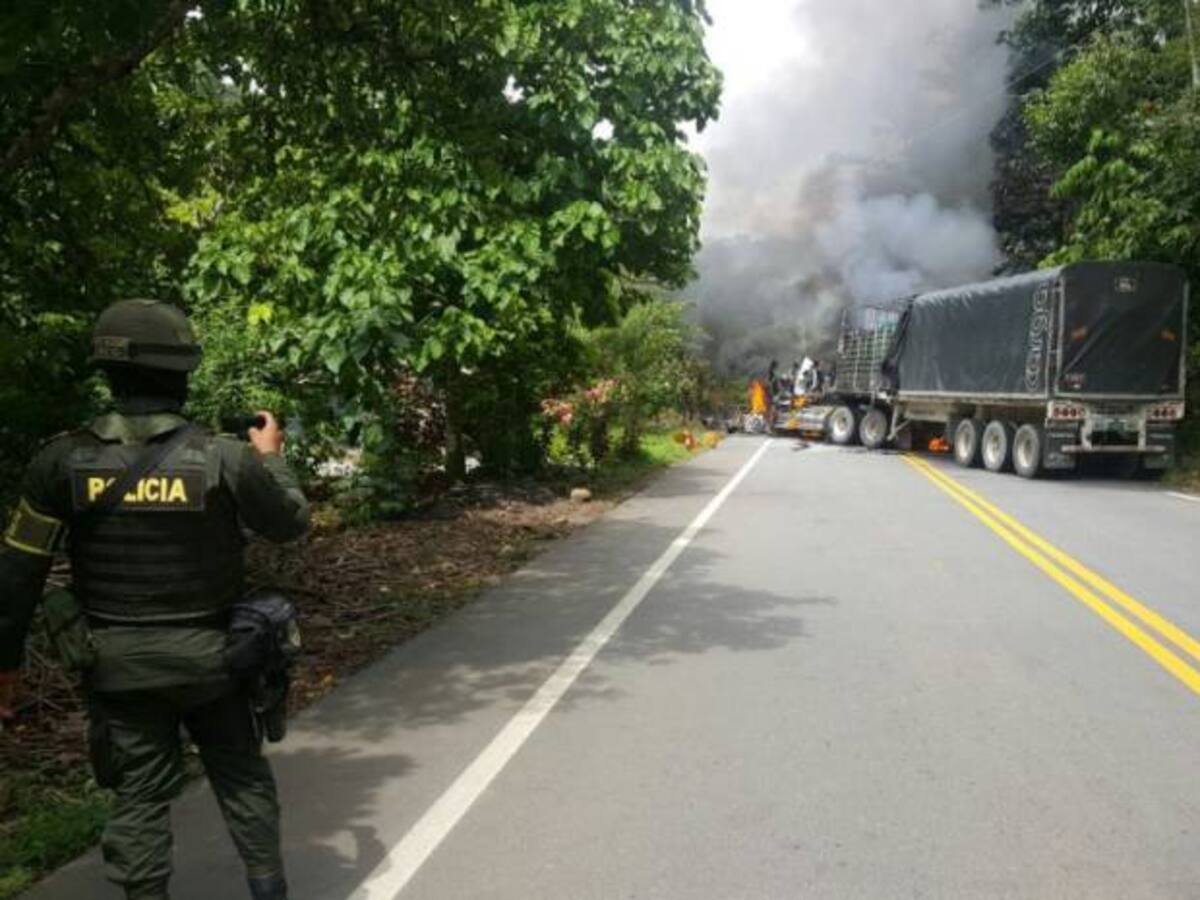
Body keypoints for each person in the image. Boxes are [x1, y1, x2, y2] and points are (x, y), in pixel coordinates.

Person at [0, 299, 310, 900]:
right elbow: (289, 523)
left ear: (106, 371)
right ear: (183, 372)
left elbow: (17, 573)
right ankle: (269, 890)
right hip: (215, 661)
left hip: (118, 668)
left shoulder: (60, 462)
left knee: (139, 793)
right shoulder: (224, 458)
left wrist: (4, 667)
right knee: (241, 777)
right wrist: (272, 459)